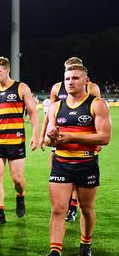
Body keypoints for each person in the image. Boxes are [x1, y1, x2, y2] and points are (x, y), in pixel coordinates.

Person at [40, 64, 111, 256]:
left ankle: (85, 243)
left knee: (86, 209)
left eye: (75, 78)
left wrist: (72, 136)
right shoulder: (56, 107)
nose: (70, 82)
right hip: (61, 163)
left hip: (86, 163)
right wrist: (51, 139)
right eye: (68, 78)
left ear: (86, 81)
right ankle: (55, 252)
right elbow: (48, 141)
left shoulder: (96, 104)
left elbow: (105, 137)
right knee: (58, 209)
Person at [39, 57, 102, 222]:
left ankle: (73, 206)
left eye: (74, 74)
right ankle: (67, 206)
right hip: (58, 136)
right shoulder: (57, 88)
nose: (70, 79)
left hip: (84, 141)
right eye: (67, 73)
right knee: (60, 169)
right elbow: (49, 113)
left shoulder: (92, 88)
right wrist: (43, 135)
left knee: (77, 173)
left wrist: (96, 141)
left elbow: (96, 111)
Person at [0, 57, 40, 226]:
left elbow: (32, 113)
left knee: (17, 179)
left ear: (7, 70)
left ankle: (20, 196)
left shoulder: (21, 88)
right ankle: (0, 214)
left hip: (16, 141)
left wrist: (35, 135)